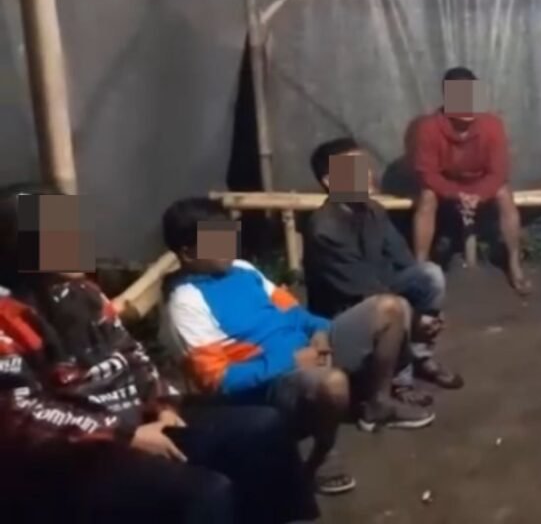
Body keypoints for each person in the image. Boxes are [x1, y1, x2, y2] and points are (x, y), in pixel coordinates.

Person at [0, 183, 319, 524]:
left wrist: (163, 404)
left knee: (262, 428)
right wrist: (125, 436)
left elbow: (132, 354)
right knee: (206, 492)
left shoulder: (84, 294)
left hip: (135, 422)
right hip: (72, 459)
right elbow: (20, 414)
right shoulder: (7, 315)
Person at [161, 198, 435, 496]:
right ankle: (320, 453)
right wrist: (292, 360)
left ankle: (378, 404)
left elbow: (295, 314)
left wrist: (319, 331)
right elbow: (219, 381)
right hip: (270, 383)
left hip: (308, 350)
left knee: (390, 308)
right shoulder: (186, 303)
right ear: (188, 253)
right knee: (331, 383)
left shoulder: (243, 270)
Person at [304, 137, 463, 403]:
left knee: (429, 275)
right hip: (341, 320)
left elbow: (405, 261)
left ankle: (420, 356)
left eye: (365, 167)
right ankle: (399, 382)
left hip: (379, 294)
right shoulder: (324, 229)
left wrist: (431, 312)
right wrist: (416, 318)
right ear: (329, 181)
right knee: (397, 306)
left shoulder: (374, 211)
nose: (367, 175)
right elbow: (362, 291)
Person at [412, 66, 531, 295]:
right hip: (446, 184)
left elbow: (499, 171)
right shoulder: (429, 127)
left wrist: (478, 195)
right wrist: (456, 194)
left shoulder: (492, 125)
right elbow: (427, 173)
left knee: (505, 195)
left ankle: (515, 264)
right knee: (426, 197)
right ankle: (420, 268)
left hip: (480, 183)